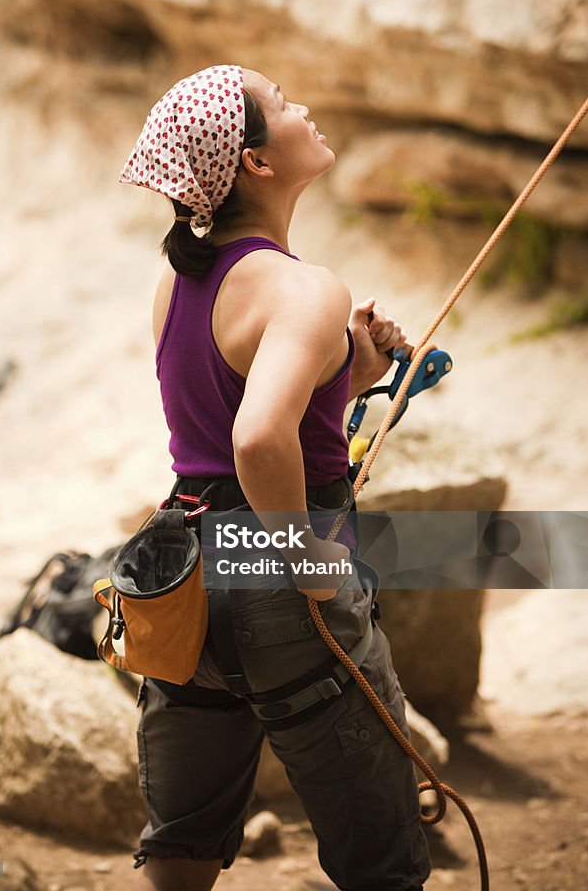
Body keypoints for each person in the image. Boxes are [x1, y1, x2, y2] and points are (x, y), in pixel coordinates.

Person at [119, 64, 432, 890]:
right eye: (285, 103)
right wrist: (311, 561)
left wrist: (346, 375)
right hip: (270, 579)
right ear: (255, 162)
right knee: (384, 865)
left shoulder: (176, 283)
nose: (305, 107)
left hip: (183, 576)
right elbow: (258, 439)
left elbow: (224, 419)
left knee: (182, 848)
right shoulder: (306, 288)